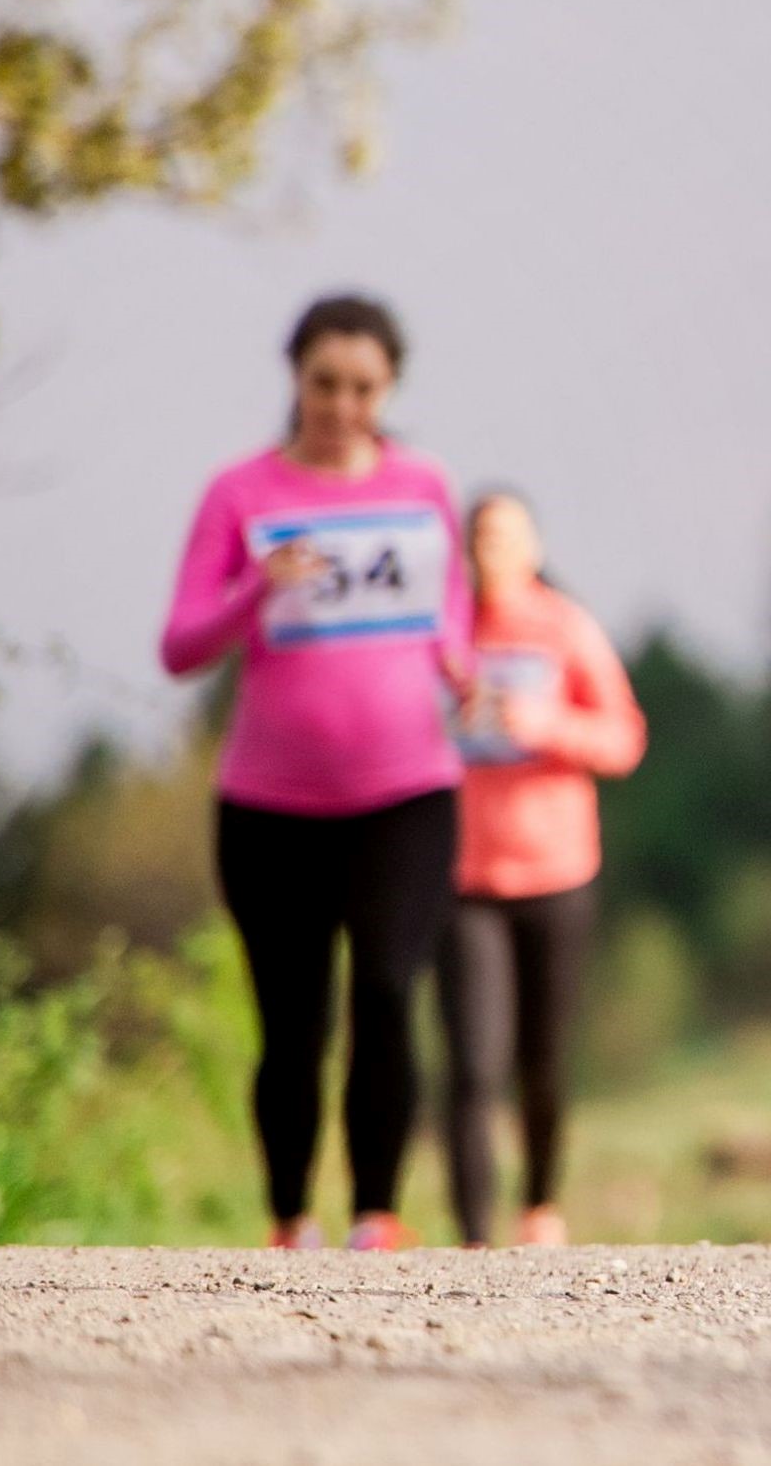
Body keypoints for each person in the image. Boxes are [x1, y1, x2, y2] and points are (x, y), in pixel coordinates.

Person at [158, 294, 469, 1252]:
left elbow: (447, 615)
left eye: (363, 386)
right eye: (324, 383)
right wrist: (258, 586)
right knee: (292, 1021)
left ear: (390, 390)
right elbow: (179, 645)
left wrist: (463, 670)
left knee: (385, 989)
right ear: (294, 380)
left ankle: (377, 1214)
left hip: (408, 792)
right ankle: (290, 1218)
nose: (341, 404)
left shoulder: (423, 487)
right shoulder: (240, 494)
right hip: (269, 806)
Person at [442, 490, 646, 1248]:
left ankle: (538, 1208)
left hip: (557, 872)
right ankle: (471, 1238)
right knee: (471, 1064)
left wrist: (545, 724)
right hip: (462, 879)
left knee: (545, 1059)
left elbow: (624, 738)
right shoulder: (444, 630)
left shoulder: (564, 625)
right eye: (480, 536)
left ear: (532, 547)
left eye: (507, 535)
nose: (492, 548)